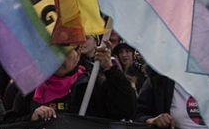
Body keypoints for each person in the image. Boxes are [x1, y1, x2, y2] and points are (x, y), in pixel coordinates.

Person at [7, 42, 136, 123]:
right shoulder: (29, 87)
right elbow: (8, 124)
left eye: (65, 51)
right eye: (53, 52)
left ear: (78, 53)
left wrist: (110, 70)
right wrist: (31, 118)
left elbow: (126, 110)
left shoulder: (92, 84)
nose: (58, 58)